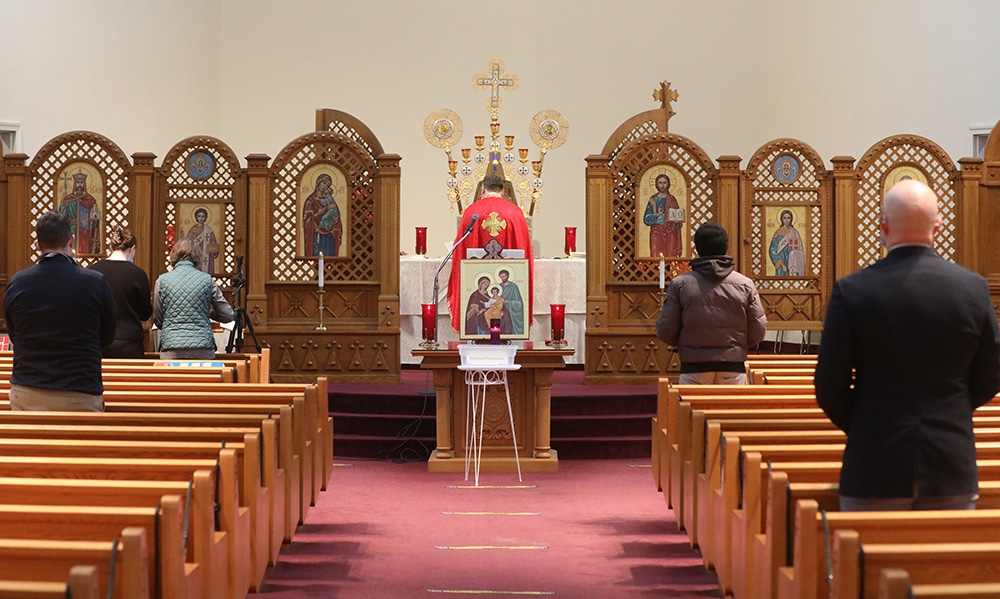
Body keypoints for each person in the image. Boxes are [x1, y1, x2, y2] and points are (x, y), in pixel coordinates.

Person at [814, 179, 1000, 512]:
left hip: (873, 462)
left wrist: (867, 421)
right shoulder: (973, 289)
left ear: (882, 225)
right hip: (950, 464)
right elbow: (992, 374)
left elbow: (829, 385)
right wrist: (949, 408)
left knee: (865, 562)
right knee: (947, 564)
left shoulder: (852, 291)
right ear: (938, 226)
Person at [2, 211, 116, 411]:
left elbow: (14, 334)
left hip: (28, 390)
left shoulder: (18, 283)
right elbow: (107, 336)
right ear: (71, 241)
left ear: (37, 245)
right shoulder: (96, 282)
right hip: (80, 391)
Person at [655, 221, 767, 384]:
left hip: (694, 366)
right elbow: (758, 329)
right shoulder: (744, 284)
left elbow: (666, 329)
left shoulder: (681, 284)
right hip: (732, 366)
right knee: (729, 410)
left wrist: (686, 344)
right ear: (725, 247)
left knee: (692, 409)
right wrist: (736, 345)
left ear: (698, 249)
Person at [448, 172, 534, 332]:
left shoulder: (471, 212)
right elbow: (526, 249)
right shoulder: (515, 213)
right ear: (503, 192)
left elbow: (460, 252)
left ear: (482, 190)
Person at [153, 237, 235, 360]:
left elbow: (158, 320)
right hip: (202, 348)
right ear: (197, 256)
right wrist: (208, 313)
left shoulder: (162, 281)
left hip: (171, 348)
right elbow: (228, 315)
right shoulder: (207, 280)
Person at [88, 226, 153, 358]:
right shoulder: (138, 274)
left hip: (100, 340)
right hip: (130, 341)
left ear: (110, 248)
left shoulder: (94, 271)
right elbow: (145, 314)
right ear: (132, 249)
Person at [302, 173, 343, 257]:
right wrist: (320, 212)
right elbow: (307, 221)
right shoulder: (311, 201)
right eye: (324, 183)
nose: (325, 186)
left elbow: (336, 215)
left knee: (330, 254)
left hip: (329, 235)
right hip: (316, 234)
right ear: (318, 183)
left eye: (327, 185)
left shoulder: (329, 200)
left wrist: (336, 220)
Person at [59, 171, 101, 255]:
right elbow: (61, 218)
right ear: (74, 184)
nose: (79, 185)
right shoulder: (68, 199)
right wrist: (63, 205)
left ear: (84, 184)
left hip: (86, 233)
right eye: (77, 182)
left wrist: (95, 221)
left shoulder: (90, 200)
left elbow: (95, 219)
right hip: (72, 230)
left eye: (81, 182)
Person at [643, 173, 683, 258]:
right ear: (656, 185)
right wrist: (657, 215)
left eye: (664, 182)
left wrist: (676, 223)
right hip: (656, 231)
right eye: (660, 183)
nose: (662, 185)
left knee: (670, 255)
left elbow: (677, 219)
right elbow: (646, 219)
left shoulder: (672, 200)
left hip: (670, 232)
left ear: (668, 184)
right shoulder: (653, 200)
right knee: (655, 252)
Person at [183, 207, 221, 274]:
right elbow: (188, 244)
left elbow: (214, 245)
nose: (201, 218)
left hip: (206, 258)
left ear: (206, 217)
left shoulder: (209, 230)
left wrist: (213, 249)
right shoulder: (192, 230)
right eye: (199, 216)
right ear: (196, 217)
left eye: (203, 216)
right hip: (195, 257)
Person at [768, 209, 805, 276]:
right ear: (781, 219)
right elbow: (772, 250)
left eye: (788, 218)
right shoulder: (778, 233)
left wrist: (793, 254)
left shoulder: (795, 232)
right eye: (784, 218)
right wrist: (781, 264)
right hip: (782, 263)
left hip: (793, 263)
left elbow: (800, 250)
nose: (786, 220)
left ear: (791, 219)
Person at [497, 268, 524, 335]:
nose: (503, 278)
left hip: (510, 310)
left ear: (508, 276)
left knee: (506, 317)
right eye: (501, 277)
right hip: (499, 308)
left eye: (504, 276)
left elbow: (519, 303)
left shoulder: (513, 287)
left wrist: (506, 301)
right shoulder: (498, 287)